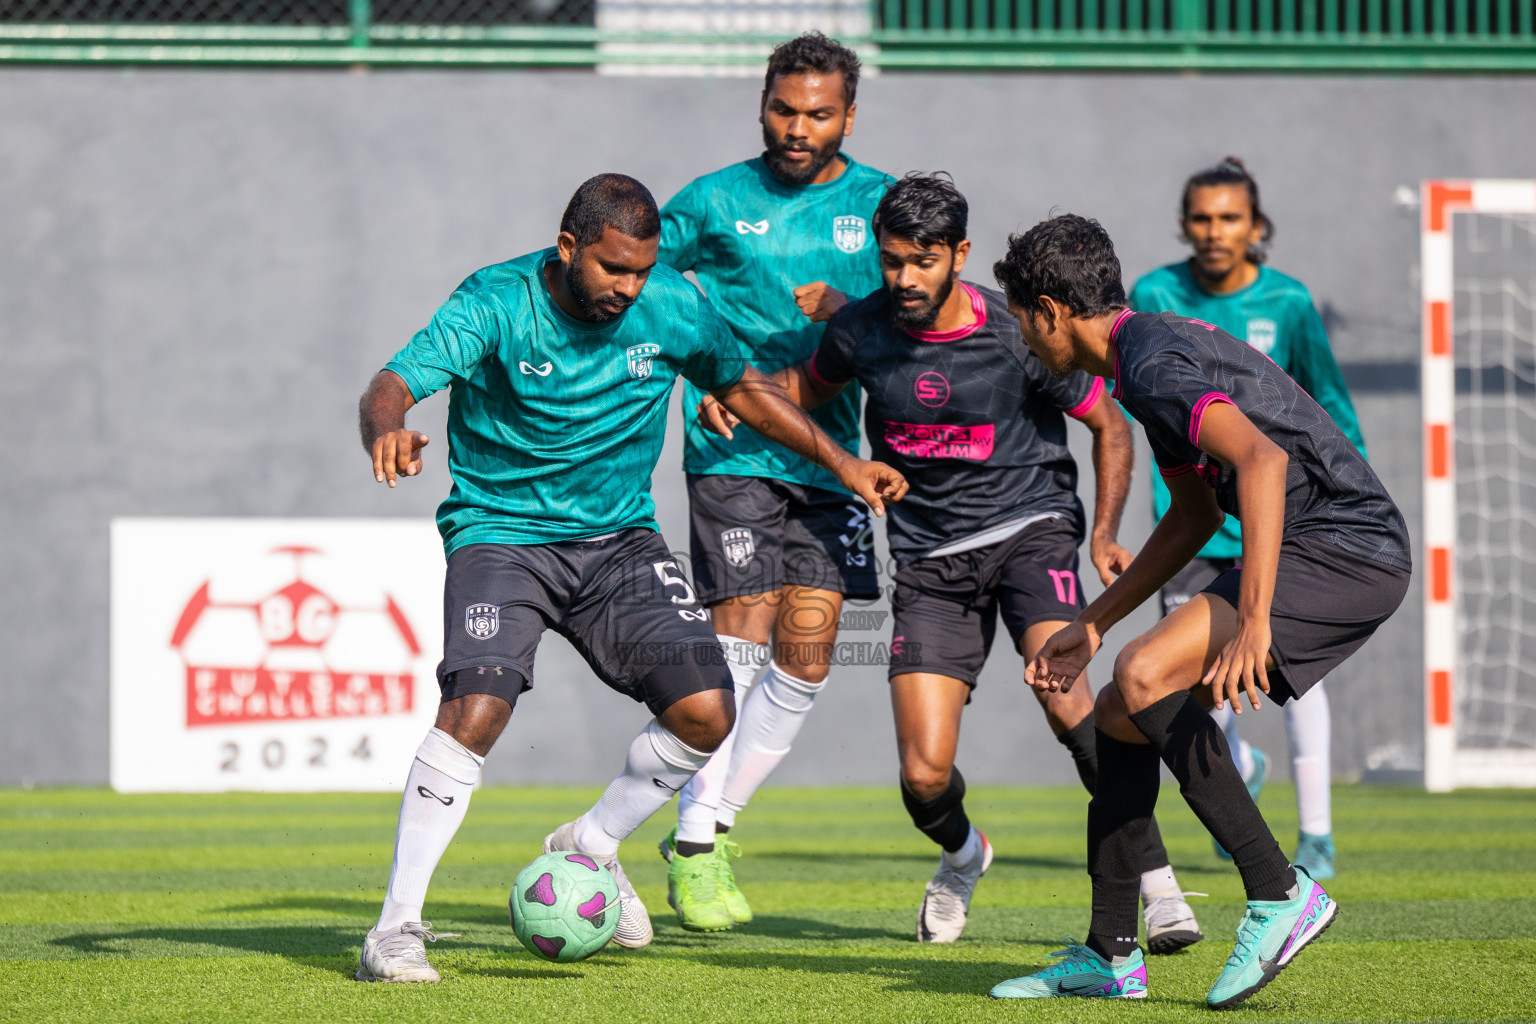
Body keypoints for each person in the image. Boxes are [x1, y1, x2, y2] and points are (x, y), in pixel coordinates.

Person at [352, 172, 906, 983]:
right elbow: (394, 381)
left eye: (642, 270)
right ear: (569, 247)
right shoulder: (497, 300)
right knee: (476, 708)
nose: (629, 287)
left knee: (707, 712)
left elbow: (743, 388)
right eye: (614, 269)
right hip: (503, 538)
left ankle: (593, 843)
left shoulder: (671, 304)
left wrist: (844, 462)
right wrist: (389, 427)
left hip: (619, 545)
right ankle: (395, 929)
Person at [700, 174, 1203, 949]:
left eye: (923, 261)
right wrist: (742, 395)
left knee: (1070, 702)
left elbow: (1109, 425)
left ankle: (1159, 886)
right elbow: (802, 385)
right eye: (892, 260)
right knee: (924, 777)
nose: (904, 278)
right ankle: (965, 858)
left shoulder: (1016, 334)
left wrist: (1103, 532)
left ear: (959, 255)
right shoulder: (861, 329)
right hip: (930, 563)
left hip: (1031, 534)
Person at [987, 214, 1410, 1007]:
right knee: (1118, 709)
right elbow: (1191, 515)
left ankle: (1281, 893)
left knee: (1143, 676)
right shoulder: (1141, 357)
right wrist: (1095, 620)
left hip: (1348, 553)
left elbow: (1261, 457)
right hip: (1318, 552)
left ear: (1049, 311)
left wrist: (1254, 620)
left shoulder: (1148, 365)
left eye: (1021, 321)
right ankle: (1110, 954)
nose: (1024, 339)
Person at [653, 31, 896, 931]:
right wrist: (697, 373)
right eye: (784, 110)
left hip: (833, 460)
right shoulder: (714, 200)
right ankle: (697, 847)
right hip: (734, 452)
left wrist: (854, 311)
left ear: (849, 115)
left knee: (809, 651)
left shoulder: (878, 206)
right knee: (743, 632)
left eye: (818, 114)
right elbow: (643, 282)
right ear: (762, 105)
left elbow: (919, 304)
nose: (798, 129)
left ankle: (712, 818)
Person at [1130, 157, 1366, 879]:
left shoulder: (1289, 304)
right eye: (1201, 218)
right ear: (1184, 224)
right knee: (1197, 688)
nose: (1214, 231)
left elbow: (1331, 408)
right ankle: (1237, 775)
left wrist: (1336, 503)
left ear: (1256, 227)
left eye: (1229, 217)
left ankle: (1316, 836)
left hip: (1281, 524)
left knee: (1297, 677)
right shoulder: (1154, 295)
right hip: (1195, 523)